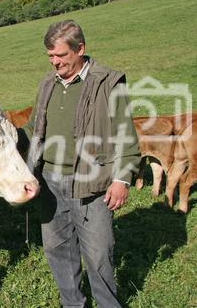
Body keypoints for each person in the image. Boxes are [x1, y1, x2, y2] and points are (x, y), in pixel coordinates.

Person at [23, 20, 140, 308]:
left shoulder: (108, 82)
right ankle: (73, 303)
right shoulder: (47, 84)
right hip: (49, 181)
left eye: (61, 56)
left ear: (80, 49)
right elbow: (32, 130)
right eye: (50, 56)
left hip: (92, 181)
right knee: (57, 250)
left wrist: (121, 180)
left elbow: (126, 135)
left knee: (98, 255)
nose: (55, 63)